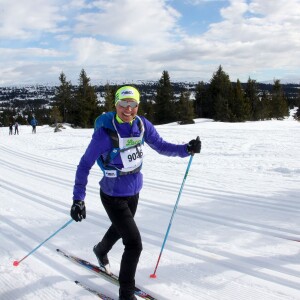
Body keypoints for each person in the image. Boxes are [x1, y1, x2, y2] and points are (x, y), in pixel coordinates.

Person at [70, 85, 201, 300]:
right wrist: (78, 199)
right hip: (112, 194)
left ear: (138, 105)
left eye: (132, 104)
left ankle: (100, 250)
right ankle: (126, 294)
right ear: (116, 105)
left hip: (134, 190)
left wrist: (186, 149)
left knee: (120, 227)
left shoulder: (141, 125)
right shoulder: (105, 135)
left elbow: (160, 145)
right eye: (123, 104)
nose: (128, 109)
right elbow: (84, 165)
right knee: (134, 244)